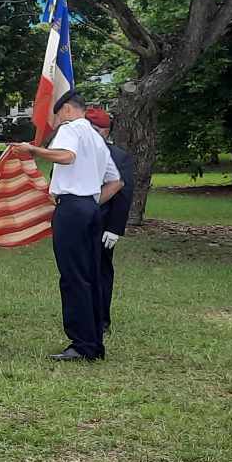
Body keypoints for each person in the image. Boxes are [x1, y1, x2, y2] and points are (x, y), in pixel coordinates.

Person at [13, 91, 121, 361]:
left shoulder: (71, 129)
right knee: (91, 275)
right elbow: (115, 181)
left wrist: (33, 150)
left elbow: (67, 156)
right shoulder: (97, 138)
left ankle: (81, 343)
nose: (56, 121)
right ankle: (94, 340)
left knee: (73, 276)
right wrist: (91, 201)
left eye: (58, 115)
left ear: (68, 111)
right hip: (90, 208)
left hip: (72, 208)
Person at [87, 106, 134, 335]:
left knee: (101, 270)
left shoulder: (118, 156)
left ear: (105, 132)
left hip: (103, 222)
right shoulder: (74, 152)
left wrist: (115, 228)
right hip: (77, 222)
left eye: (95, 129)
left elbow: (123, 193)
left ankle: (102, 319)